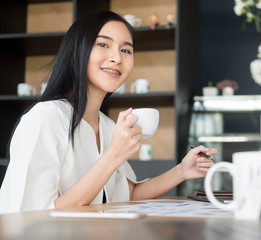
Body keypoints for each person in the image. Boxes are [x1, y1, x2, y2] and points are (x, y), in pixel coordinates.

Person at [0, 10, 216, 213]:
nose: (117, 58)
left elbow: (128, 193)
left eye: (126, 50)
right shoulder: (45, 117)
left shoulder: (107, 126)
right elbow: (34, 216)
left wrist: (181, 171)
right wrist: (114, 154)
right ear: (78, 50)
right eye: (103, 44)